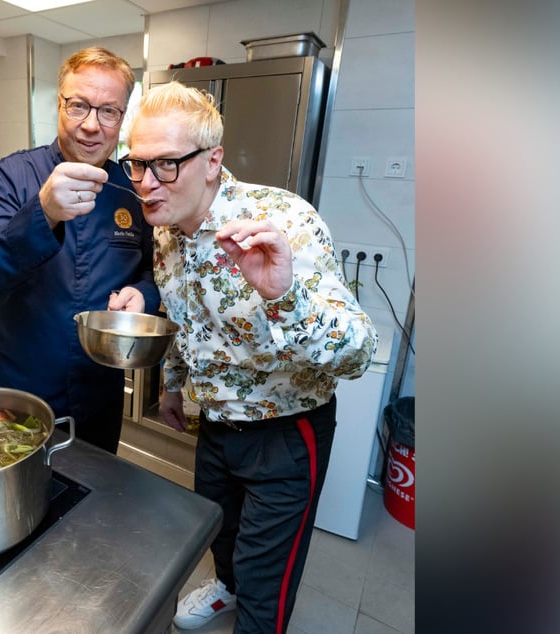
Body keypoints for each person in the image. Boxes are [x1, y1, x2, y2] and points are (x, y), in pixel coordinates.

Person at [122, 81, 379, 633]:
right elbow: (185, 318)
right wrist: (172, 384)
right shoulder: (167, 233)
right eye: (137, 164)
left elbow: (359, 354)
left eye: (166, 164)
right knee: (223, 529)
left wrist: (285, 295)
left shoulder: (282, 220)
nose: (146, 183)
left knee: (270, 578)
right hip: (214, 424)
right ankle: (226, 588)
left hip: (284, 432)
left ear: (212, 161)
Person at [0, 47, 160, 454]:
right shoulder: (11, 176)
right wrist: (43, 211)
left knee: (95, 502)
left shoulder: (133, 189)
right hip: (23, 396)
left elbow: (153, 274)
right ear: (59, 104)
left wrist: (146, 296)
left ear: (122, 119)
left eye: (108, 112)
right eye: (79, 106)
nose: (91, 125)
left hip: (101, 395)